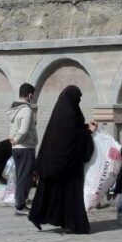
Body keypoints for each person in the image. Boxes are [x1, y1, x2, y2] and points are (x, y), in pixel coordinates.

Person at [29, 86, 97, 233]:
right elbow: (71, 138)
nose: (78, 101)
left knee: (52, 192)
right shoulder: (68, 115)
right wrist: (88, 132)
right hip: (67, 164)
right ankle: (76, 224)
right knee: (69, 194)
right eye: (77, 98)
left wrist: (85, 128)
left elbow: (73, 130)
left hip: (56, 163)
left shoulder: (63, 113)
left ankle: (39, 216)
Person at [7, 83, 38, 216]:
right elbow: (24, 130)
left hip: (17, 148)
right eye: (33, 95)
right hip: (25, 147)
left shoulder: (14, 109)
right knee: (24, 177)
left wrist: (14, 139)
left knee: (22, 176)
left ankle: (20, 202)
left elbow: (15, 127)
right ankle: (20, 205)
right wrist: (17, 139)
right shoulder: (26, 110)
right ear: (30, 95)